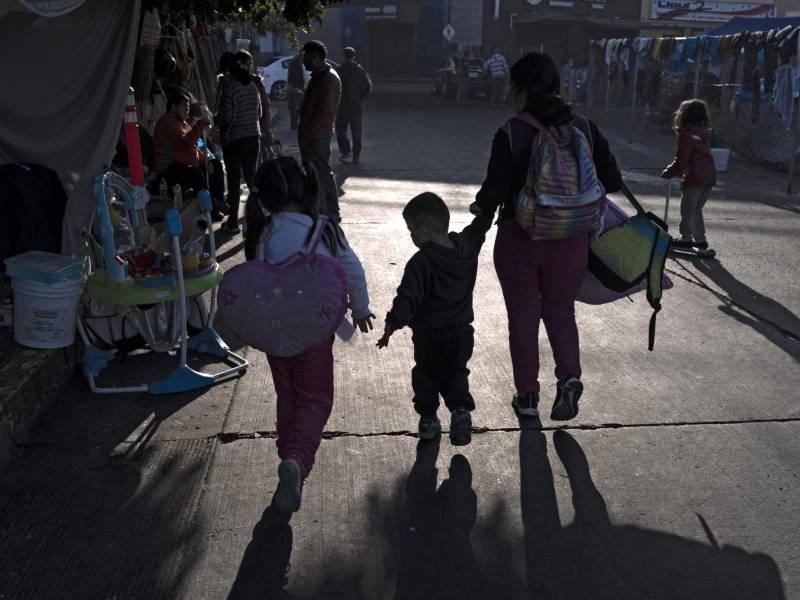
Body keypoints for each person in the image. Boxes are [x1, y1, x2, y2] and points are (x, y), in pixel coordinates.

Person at [473, 52, 622, 421]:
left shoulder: (511, 133)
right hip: (571, 241)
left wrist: (478, 217)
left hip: (520, 237)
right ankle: (569, 376)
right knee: (560, 310)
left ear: (520, 89)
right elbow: (613, 181)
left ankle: (527, 398)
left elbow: (493, 192)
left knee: (523, 316)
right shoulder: (585, 128)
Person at [243, 156, 375, 513]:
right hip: (314, 334)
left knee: (288, 396)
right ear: (307, 190)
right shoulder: (324, 229)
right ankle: (298, 461)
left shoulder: (262, 233)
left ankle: (288, 454)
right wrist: (360, 309)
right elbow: (353, 270)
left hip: (275, 334)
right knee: (315, 398)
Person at [377, 192, 493, 446]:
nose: (411, 236)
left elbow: (407, 297)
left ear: (424, 230)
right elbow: (478, 230)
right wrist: (487, 211)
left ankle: (429, 420)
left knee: (426, 376)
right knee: (456, 373)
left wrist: (392, 324)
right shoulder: (466, 248)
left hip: (429, 336)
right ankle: (460, 411)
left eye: (411, 230)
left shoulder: (421, 262)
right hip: (461, 332)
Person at [661, 98, 717, 251]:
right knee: (696, 209)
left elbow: (682, 158)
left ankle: (686, 238)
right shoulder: (704, 133)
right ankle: (700, 240)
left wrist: (669, 172)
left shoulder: (686, 135)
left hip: (695, 178)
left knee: (688, 209)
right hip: (708, 177)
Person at [153, 90, 220, 216]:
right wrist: (199, 126)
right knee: (194, 172)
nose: (187, 110)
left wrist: (206, 161)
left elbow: (194, 148)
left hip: (182, 167)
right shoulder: (166, 123)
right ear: (173, 106)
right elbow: (184, 143)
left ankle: (218, 201)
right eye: (184, 106)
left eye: (188, 107)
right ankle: (213, 210)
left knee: (215, 164)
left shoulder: (184, 124)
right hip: (167, 172)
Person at [216, 57, 262, 233]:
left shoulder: (230, 86)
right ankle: (260, 216)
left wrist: (215, 120)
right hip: (253, 137)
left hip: (235, 139)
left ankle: (233, 222)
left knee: (235, 182)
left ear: (228, 71)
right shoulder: (252, 85)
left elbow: (226, 116)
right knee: (252, 181)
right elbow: (259, 112)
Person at [298, 40, 342, 222]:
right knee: (315, 173)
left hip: (317, 136)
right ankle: (320, 208)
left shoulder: (329, 78)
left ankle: (331, 211)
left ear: (316, 57)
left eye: (307, 57)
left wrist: (309, 133)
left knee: (322, 173)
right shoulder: (319, 76)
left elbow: (324, 113)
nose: (304, 61)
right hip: (313, 135)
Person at [235, 49, 276, 158]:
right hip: (237, 134)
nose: (248, 67)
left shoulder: (256, 81)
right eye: (245, 64)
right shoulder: (231, 82)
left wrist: (265, 129)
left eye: (250, 63)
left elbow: (265, 107)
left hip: (255, 131)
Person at [335, 47, 372, 164]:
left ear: (343, 56)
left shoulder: (339, 70)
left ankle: (346, 152)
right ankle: (356, 155)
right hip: (356, 106)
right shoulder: (359, 70)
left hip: (342, 106)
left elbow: (335, 88)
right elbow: (367, 87)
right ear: (354, 56)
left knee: (340, 130)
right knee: (356, 132)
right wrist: (359, 97)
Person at [287, 52, 306, 130]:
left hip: (298, 88)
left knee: (298, 106)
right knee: (295, 106)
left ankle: (295, 123)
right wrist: (294, 89)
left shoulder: (298, 63)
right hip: (296, 88)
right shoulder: (295, 64)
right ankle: (294, 124)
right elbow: (292, 78)